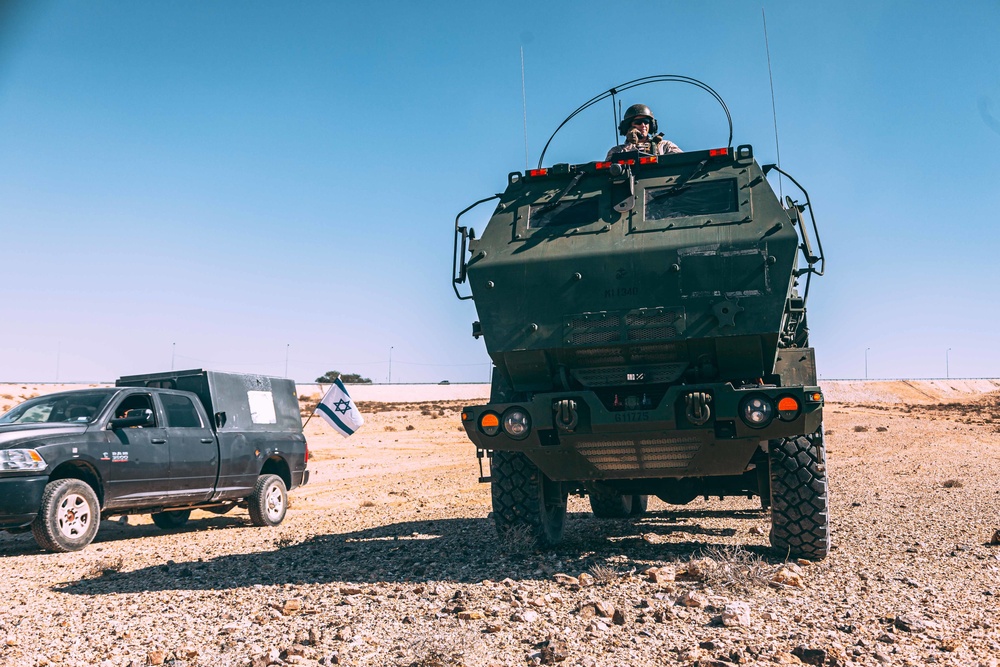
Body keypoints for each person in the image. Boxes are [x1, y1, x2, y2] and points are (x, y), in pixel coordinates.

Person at [606, 104, 682, 160]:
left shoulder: (664, 146)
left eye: (646, 122)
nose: (643, 125)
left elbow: (683, 160)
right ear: (629, 126)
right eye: (638, 122)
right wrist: (630, 143)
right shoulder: (617, 151)